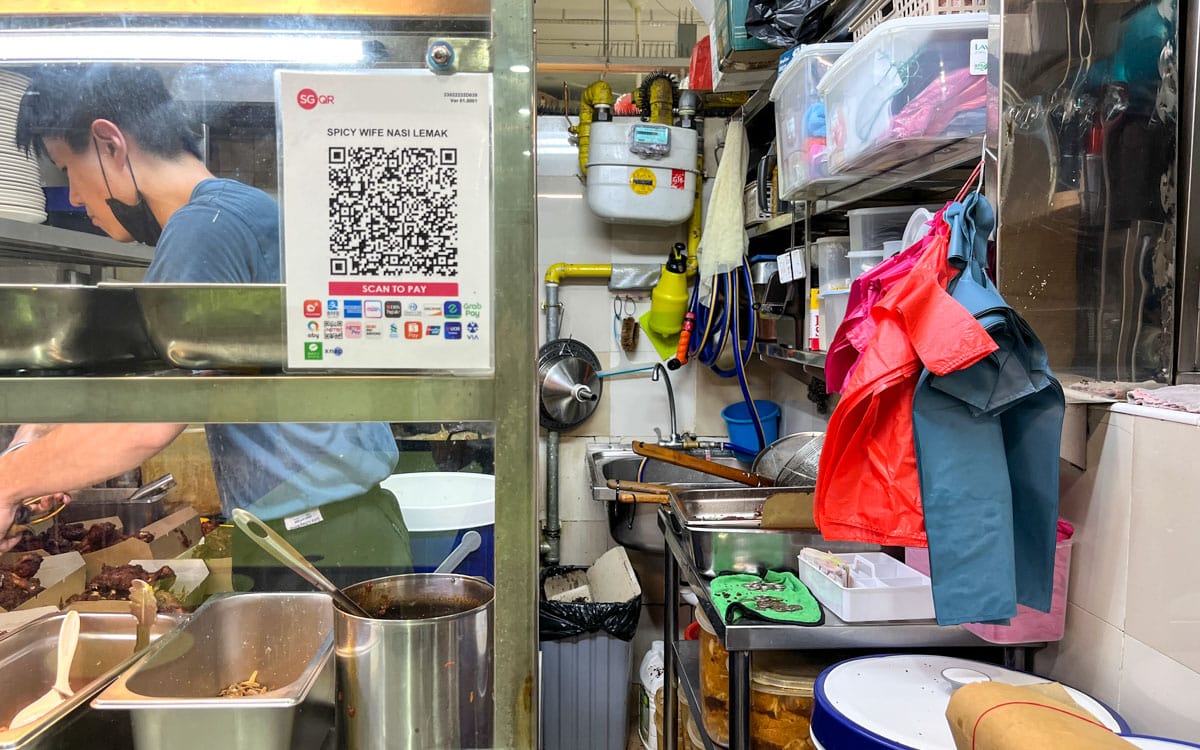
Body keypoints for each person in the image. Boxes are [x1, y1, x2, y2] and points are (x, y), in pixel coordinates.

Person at [2, 64, 412, 591]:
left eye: (67, 168)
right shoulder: (237, 211)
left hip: (314, 540)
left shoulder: (203, 228)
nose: (75, 198)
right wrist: (40, 441)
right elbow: (146, 374)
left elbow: (147, 420)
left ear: (109, 144)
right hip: (341, 527)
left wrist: (8, 482)